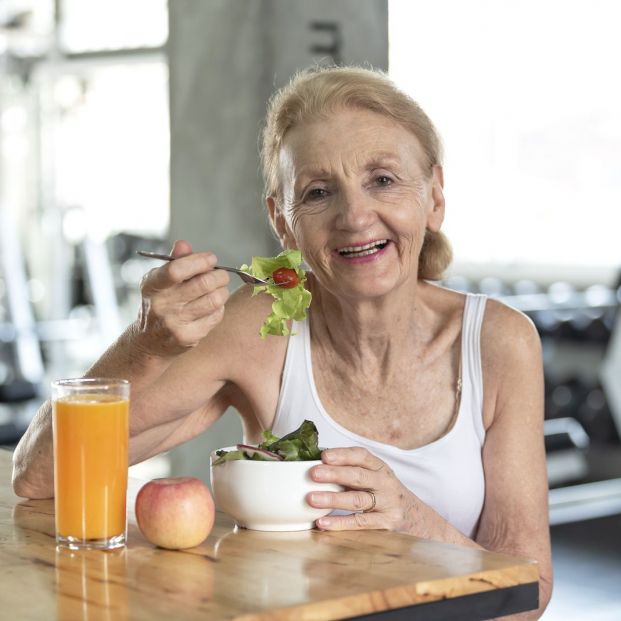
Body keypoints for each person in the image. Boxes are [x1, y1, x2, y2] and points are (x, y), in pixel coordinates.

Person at [13, 65, 552, 616]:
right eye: (319, 193)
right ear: (284, 222)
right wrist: (147, 344)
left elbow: (528, 597)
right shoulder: (258, 329)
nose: (355, 215)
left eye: (383, 180)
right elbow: (38, 474)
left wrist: (407, 516)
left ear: (434, 197)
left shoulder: (499, 343)